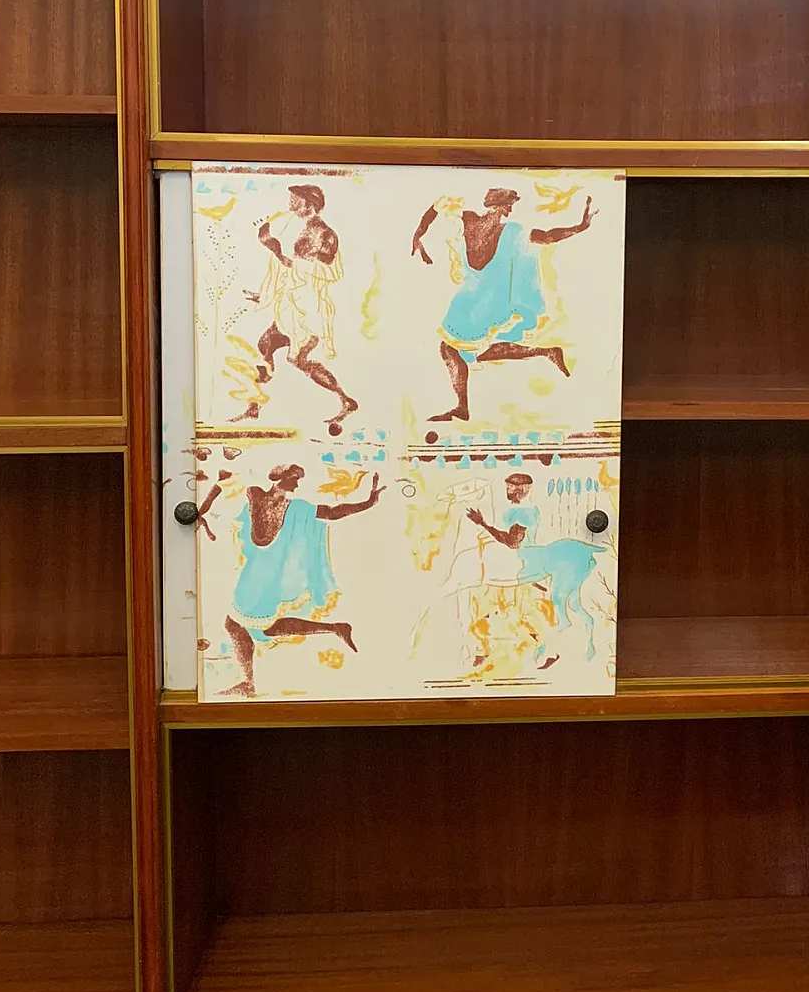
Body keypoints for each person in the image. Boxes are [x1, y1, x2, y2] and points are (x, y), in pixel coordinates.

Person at [197, 463, 383, 698]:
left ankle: (249, 682)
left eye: (298, 479)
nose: (297, 483)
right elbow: (225, 485)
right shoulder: (255, 493)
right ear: (279, 476)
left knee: (240, 625)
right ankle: (335, 628)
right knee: (260, 627)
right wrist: (202, 509)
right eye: (294, 477)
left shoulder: (298, 508)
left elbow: (333, 512)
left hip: (268, 578)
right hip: (253, 573)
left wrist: (368, 503)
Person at [410, 187, 596, 422]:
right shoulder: (471, 219)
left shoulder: (507, 229)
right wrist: (418, 236)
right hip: (473, 296)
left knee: (451, 348)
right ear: (497, 206)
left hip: (485, 298)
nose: (508, 210)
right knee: (467, 350)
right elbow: (436, 207)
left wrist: (580, 227)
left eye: (509, 206)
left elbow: (548, 236)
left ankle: (463, 406)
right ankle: (545, 351)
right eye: (507, 205)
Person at [238, 183, 358, 434]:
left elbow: (333, 272)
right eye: (291, 198)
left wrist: (292, 262)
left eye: (296, 200)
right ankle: (254, 405)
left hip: (307, 309)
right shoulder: (290, 225)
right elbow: (281, 267)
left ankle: (345, 400)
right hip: (288, 308)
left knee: (297, 358)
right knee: (265, 345)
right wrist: (264, 295)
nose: (290, 203)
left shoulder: (325, 233)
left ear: (310, 205)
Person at [466, 472, 602, 666]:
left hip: (523, 559)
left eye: (510, 487)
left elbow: (513, 542)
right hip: (520, 557)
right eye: (507, 487)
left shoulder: (524, 511)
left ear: (521, 489)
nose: (507, 490)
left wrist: (483, 524)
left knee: (497, 598)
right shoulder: (521, 509)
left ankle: (541, 648)